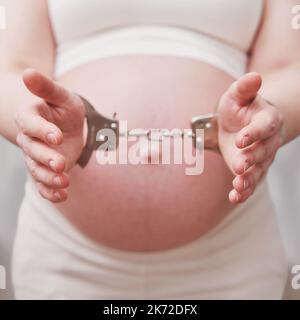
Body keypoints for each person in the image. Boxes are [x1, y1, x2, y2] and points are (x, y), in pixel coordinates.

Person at [0, 0, 299, 299]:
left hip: (231, 254)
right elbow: (11, 68)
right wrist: (37, 124)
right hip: (65, 255)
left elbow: (289, 68)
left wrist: (262, 118)